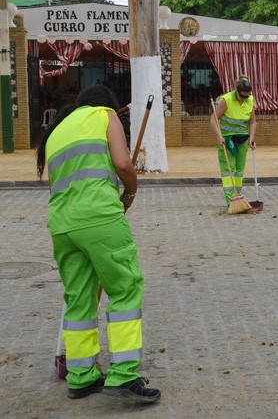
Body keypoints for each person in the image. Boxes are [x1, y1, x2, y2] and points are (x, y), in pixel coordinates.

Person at [36, 84, 161, 403]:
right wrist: (130, 192)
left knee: (79, 298)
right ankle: (123, 373)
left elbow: (56, 185)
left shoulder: (58, 130)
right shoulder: (106, 116)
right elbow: (122, 164)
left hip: (61, 223)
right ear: (111, 107)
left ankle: (81, 376)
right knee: (126, 287)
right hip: (99, 216)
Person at [210, 76, 257, 206]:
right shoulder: (226, 100)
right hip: (227, 140)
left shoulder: (250, 100)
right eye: (243, 96)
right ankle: (231, 200)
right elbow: (213, 119)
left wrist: (251, 138)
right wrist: (219, 136)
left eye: (248, 96)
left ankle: (238, 197)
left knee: (239, 171)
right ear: (236, 91)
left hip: (242, 140)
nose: (245, 99)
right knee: (229, 170)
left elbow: (252, 122)